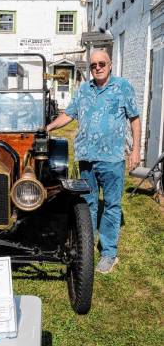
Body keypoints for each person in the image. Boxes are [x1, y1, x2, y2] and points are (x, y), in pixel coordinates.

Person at [46, 49, 141, 274]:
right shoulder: (83, 90)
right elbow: (69, 114)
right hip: (86, 158)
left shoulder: (122, 87)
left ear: (110, 65)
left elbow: (135, 119)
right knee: (87, 203)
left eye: (101, 64)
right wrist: (48, 127)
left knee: (111, 205)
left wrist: (136, 150)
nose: (97, 68)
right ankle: (86, 245)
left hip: (112, 159)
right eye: (93, 65)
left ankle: (108, 253)